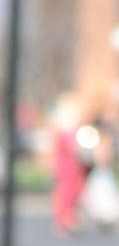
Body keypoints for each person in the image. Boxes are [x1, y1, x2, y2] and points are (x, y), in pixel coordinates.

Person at [51, 94, 89, 238]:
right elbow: (72, 148)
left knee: (75, 193)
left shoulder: (75, 130)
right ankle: (63, 221)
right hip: (67, 169)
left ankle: (71, 219)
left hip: (75, 169)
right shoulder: (65, 131)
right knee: (65, 195)